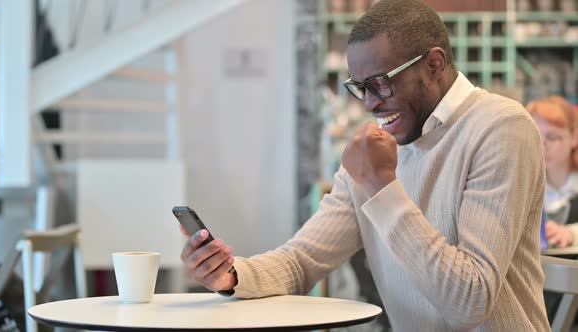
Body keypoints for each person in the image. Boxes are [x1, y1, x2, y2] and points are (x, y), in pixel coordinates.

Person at [180, 1, 548, 330]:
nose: (369, 105)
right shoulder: (377, 150)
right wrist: (231, 276)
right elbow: (301, 261)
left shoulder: (500, 127)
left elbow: (470, 302)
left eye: (380, 84)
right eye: (359, 87)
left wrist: (382, 187)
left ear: (434, 64)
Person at [528, 96, 578, 249]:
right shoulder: (526, 186)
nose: (542, 145)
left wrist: (572, 233)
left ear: (574, 137)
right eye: (535, 136)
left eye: (552, 137)